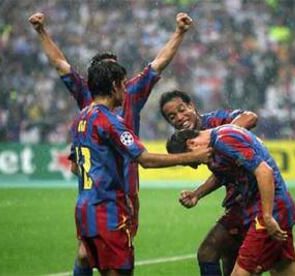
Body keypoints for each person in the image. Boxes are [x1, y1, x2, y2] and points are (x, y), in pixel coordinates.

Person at [29, 11, 193, 275]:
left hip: (111, 194)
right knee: (111, 262)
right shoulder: (91, 98)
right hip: (108, 197)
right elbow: (60, 63)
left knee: (86, 254)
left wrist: (179, 33)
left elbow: (159, 63)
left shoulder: (127, 94)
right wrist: (41, 32)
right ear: (107, 80)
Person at [72, 60, 210, 275]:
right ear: (115, 85)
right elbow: (144, 159)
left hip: (84, 208)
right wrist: (190, 157)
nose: (126, 90)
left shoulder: (82, 117)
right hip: (108, 210)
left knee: (85, 258)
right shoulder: (111, 122)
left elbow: (74, 166)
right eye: (124, 84)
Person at [167, 125, 295, 276]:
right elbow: (224, 173)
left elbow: (264, 171)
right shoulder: (217, 144)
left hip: (270, 208)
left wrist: (268, 217)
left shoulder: (224, 141)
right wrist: (197, 194)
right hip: (263, 206)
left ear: (192, 144)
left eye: (190, 160)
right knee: (282, 268)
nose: (195, 166)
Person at [160, 90, 258, 275]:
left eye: (182, 109)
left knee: (209, 252)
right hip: (240, 201)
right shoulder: (189, 142)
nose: (179, 117)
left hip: (256, 199)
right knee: (228, 260)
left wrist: (217, 140)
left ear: (191, 106)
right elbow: (222, 173)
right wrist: (197, 193)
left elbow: (250, 117)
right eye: (172, 116)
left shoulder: (215, 122)